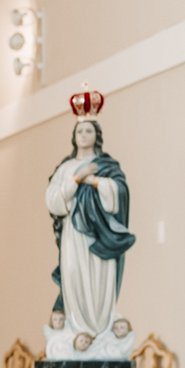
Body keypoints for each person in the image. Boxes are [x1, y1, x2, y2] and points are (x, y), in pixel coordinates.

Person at [45, 119, 135, 355]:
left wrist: (94, 180)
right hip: (74, 237)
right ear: (73, 136)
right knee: (74, 275)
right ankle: (78, 329)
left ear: (97, 135)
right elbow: (54, 200)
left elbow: (120, 193)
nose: (84, 135)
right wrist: (76, 178)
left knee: (99, 277)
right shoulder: (66, 168)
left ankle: (101, 329)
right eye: (79, 131)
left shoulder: (106, 165)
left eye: (89, 131)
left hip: (100, 235)